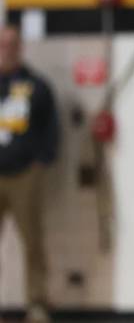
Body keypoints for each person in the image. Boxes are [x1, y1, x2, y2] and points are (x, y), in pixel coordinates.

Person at [0, 25, 59, 323]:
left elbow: (51, 126)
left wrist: (42, 161)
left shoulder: (37, 85)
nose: (7, 49)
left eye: (12, 44)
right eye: (2, 44)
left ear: (20, 47)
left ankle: (37, 304)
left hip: (24, 174)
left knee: (33, 241)